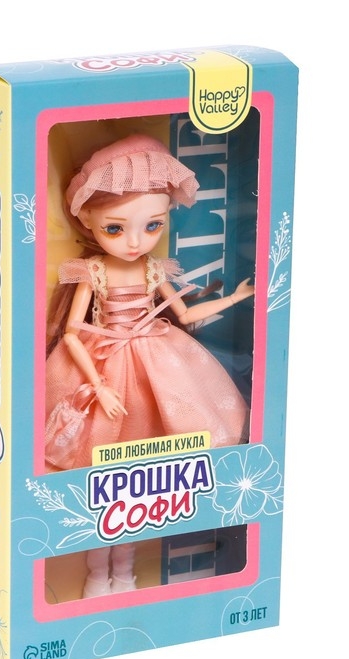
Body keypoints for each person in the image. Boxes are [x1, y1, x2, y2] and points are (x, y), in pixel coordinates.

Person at [44, 133, 254, 597]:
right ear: (88, 221)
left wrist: (235, 298)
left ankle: (126, 572)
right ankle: (96, 572)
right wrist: (98, 386)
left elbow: (184, 315)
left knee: (147, 481)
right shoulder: (94, 272)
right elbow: (74, 333)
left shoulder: (154, 270)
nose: (136, 242)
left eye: (153, 226)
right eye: (115, 229)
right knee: (100, 481)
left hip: (158, 361)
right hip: (106, 365)